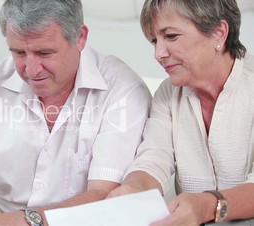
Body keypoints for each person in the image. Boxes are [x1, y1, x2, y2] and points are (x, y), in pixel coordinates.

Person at [0, 0, 151, 225]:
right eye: (19, 52)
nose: (31, 69)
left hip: (81, 220)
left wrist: (24, 221)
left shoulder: (122, 90)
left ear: (80, 38)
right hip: (3, 211)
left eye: (44, 53)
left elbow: (105, 197)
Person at [107, 0, 254, 225]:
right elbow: (153, 158)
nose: (158, 54)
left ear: (218, 33)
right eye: (154, 41)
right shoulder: (168, 92)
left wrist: (208, 205)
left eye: (171, 36)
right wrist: (133, 188)